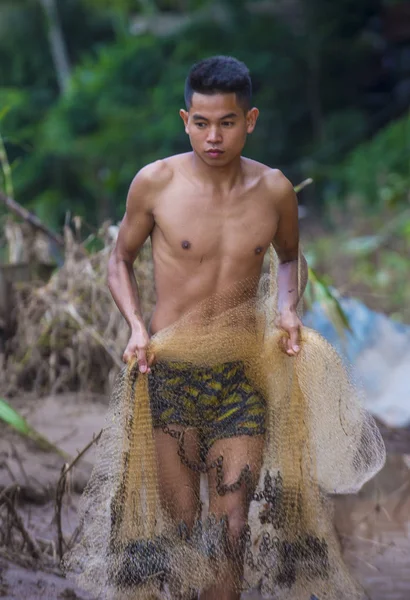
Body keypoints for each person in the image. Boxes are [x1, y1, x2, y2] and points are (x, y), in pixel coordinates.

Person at [107, 55, 308, 600]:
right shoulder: (156, 183)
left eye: (226, 122)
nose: (212, 136)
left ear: (251, 120)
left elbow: (289, 259)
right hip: (169, 374)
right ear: (184, 118)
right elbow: (119, 259)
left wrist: (287, 309)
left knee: (231, 528)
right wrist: (134, 326)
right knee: (184, 527)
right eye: (200, 122)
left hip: (241, 375)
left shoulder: (274, 191)